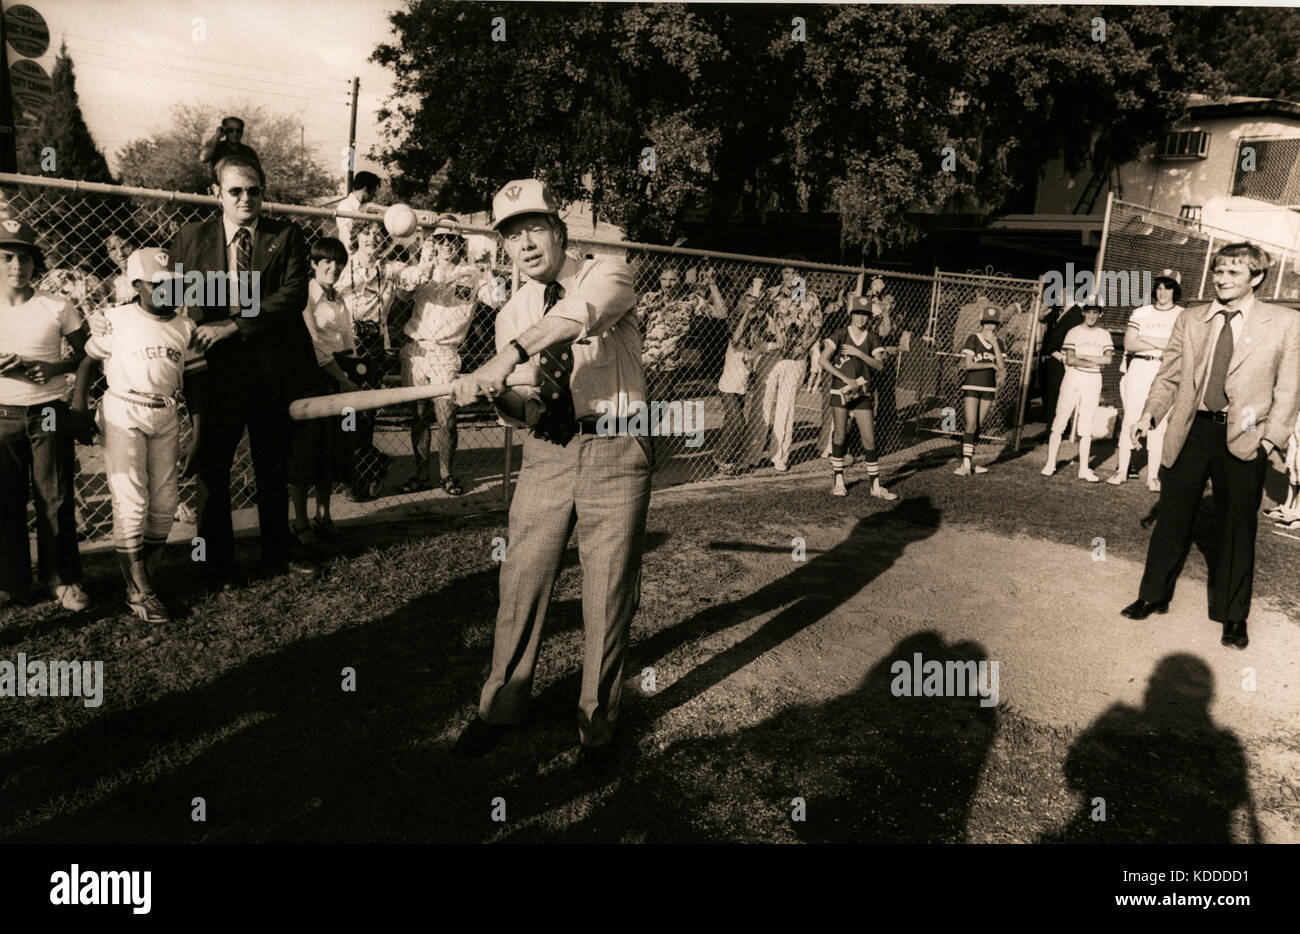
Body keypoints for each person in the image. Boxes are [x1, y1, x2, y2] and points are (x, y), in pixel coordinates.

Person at [449, 178, 649, 769]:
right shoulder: (511, 307)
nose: (525, 243)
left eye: (535, 227)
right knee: (521, 584)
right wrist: (493, 395)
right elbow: (523, 402)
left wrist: (507, 356)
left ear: (560, 231)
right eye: (511, 234)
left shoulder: (608, 272)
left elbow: (576, 318)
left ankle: (597, 725)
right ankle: (501, 707)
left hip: (614, 451)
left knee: (607, 594)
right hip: (546, 453)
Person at [1121, 243, 1300, 650]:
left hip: (1246, 435)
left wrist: (1271, 438)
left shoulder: (1285, 323)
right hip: (1192, 431)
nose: (1221, 279)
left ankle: (1233, 616)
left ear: (1256, 278)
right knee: (1173, 516)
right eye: (1219, 272)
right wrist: (1150, 414)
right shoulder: (1191, 318)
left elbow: (1289, 388)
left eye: (1233, 274)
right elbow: (1169, 375)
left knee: (1238, 526)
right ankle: (1153, 594)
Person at [168, 153, 319, 590]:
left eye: (254, 190)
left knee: (272, 464)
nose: (246, 198)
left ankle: (277, 555)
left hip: (273, 369)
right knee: (213, 467)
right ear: (218, 194)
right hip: (215, 373)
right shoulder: (190, 238)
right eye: (235, 191)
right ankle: (216, 564)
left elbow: (292, 297)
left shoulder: (286, 235)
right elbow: (170, 295)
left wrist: (233, 325)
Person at [70, 248, 192, 622]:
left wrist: (197, 433)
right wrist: (79, 406)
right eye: (156, 285)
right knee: (132, 501)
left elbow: (197, 383)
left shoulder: (184, 325)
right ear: (136, 285)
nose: (165, 291)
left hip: (167, 412)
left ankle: (143, 579)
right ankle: (140, 591)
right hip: (124, 408)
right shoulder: (117, 319)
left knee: (165, 503)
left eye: (172, 284)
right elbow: (89, 360)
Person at [0, 218, 91, 611]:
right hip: (2, 412)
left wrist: (55, 368)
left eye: (25, 258)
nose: (16, 267)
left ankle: (62, 579)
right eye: (6, 258)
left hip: (48, 411)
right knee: (5, 497)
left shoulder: (57, 305)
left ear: (36, 263)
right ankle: (11, 580)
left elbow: (90, 353)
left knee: (54, 496)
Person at [399, 215, 495, 496]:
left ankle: (446, 475)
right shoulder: (421, 269)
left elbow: (499, 299)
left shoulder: (472, 274)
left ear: (459, 242)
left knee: (447, 418)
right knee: (418, 416)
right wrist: (424, 264)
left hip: (446, 350)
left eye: (452, 239)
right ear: (435, 243)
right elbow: (403, 295)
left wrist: (490, 273)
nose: (447, 244)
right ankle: (420, 474)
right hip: (416, 347)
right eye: (441, 239)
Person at [334, 223, 416, 501]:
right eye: (366, 232)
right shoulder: (344, 266)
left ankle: (360, 475)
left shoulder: (391, 269)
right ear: (356, 236)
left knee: (366, 414)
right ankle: (372, 464)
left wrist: (423, 258)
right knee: (345, 413)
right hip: (344, 343)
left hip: (372, 347)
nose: (372, 238)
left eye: (378, 234)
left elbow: (412, 278)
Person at [288, 237, 357, 545]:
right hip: (312, 380)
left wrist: (352, 373)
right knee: (305, 453)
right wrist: (342, 378)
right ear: (314, 263)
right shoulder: (304, 294)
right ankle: (300, 522)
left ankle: (323, 517)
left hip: (339, 378)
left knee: (331, 452)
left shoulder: (338, 297)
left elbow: (346, 339)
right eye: (327, 261)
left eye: (339, 262)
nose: (334, 268)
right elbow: (314, 344)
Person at [1109, 269, 1185, 490]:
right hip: (1140, 366)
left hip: (1165, 370)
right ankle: (1122, 470)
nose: (1163, 292)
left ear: (1175, 290)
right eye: (1159, 287)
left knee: (1157, 423)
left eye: (1168, 287)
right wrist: (1163, 342)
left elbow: (1178, 347)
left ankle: (1153, 476)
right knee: (1131, 418)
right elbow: (1130, 343)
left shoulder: (1182, 314)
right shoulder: (1141, 312)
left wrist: (1147, 337)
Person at [819, 295, 897, 499]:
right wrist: (845, 378)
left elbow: (879, 365)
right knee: (840, 435)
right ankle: (838, 482)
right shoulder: (840, 334)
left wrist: (858, 353)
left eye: (865, 314)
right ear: (851, 314)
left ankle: (876, 486)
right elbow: (822, 360)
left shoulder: (872, 338)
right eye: (857, 314)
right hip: (841, 391)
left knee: (869, 438)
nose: (861, 318)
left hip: (863, 392)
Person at [751, 260, 822, 472]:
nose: (789, 277)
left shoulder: (810, 298)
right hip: (771, 356)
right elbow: (756, 321)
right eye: (786, 272)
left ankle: (779, 456)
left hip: (795, 359)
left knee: (786, 407)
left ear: (801, 276)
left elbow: (816, 326)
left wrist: (805, 348)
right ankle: (753, 455)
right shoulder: (771, 294)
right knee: (761, 404)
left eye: (794, 273)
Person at [1041, 301, 1113, 481]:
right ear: (1083, 312)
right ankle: (1051, 463)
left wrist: (1084, 357)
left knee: (1086, 424)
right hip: (1073, 377)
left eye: (1095, 312)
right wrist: (1094, 360)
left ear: (1100, 314)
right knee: (1060, 419)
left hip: (1093, 379)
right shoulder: (1073, 332)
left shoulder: (1104, 335)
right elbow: (1070, 360)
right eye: (1088, 312)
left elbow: (1108, 360)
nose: (1091, 316)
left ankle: (1084, 469)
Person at [712, 289, 764, 474]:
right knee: (738, 422)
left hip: (740, 388)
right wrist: (747, 315)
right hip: (727, 387)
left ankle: (726, 456)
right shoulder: (735, 341)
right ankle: (720, 457)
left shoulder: (754, 344)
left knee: (731, 424)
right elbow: (737, 335)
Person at [956, 307, 1006, 476]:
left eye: (993, 323)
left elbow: (1001, 367)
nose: (990, 326)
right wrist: (989, 365)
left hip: (988, 387)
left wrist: (994, 345)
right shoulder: (973, 339)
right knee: (970, 424)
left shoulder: (999, 342)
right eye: (987, 322)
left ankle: (969, 460)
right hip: (972, 386)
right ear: (982, 323)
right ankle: (966, 463)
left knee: (978, 425)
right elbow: (969, 365)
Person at [198, 116, 260, 181]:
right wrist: (217, 136)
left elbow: (257, 173)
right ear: (225, 131)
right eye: (230, 130)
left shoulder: (248, 151)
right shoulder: (216, 148)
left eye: (238, 131)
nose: (235, 133)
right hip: (221, 187)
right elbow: (203, 158)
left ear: (242, 132)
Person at [335, 171, 381, 251]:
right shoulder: (346, 206)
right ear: (366, 189)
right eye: (374, 190)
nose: (374, 195)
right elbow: (351, 238)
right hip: (351, 254)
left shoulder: (362, 207)